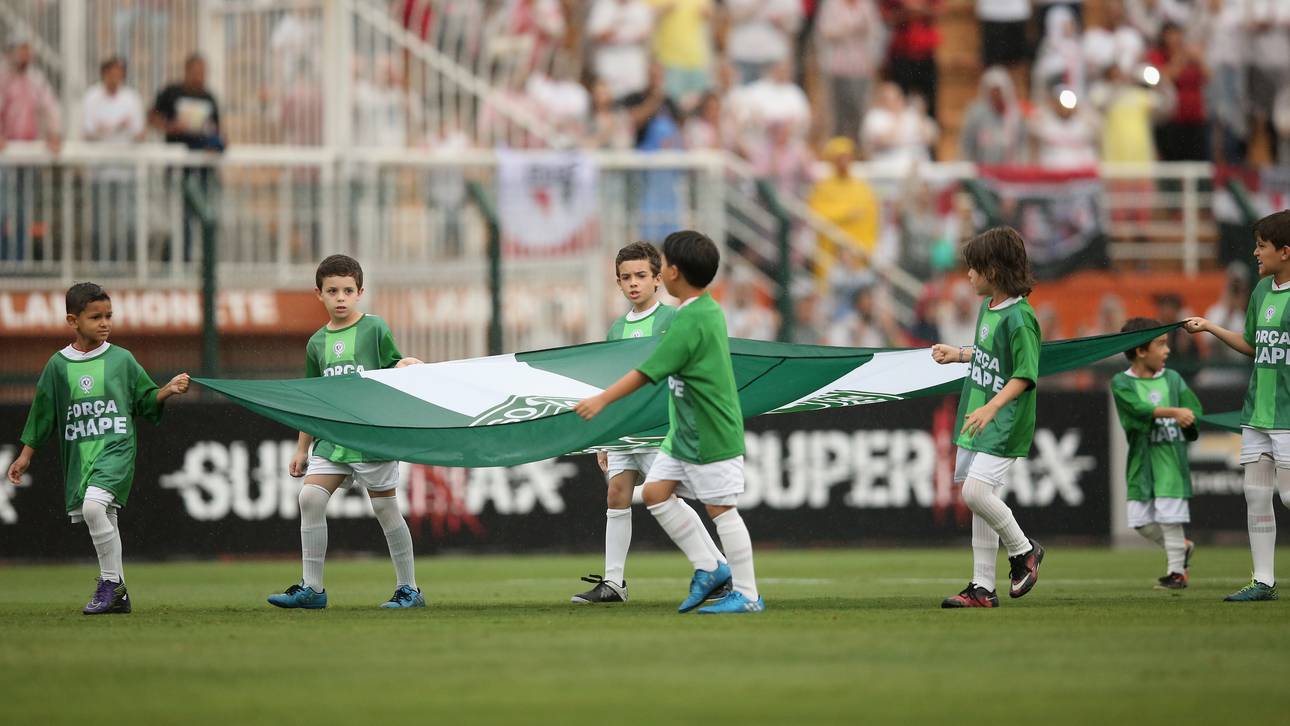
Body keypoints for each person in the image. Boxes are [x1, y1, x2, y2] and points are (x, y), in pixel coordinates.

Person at [575, 230, 764, 614]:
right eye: (626, 276)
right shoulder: (696, 312)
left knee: (720, 509)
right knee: (656, 493)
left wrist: (602, 400)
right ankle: (708, 569)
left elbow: (650, 372)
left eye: (644, 274)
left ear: (668, 275)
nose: (634, 282)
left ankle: (745, 593)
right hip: (680, 433)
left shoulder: (686, 319)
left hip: (703, 429)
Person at [6, 283, 191, 614]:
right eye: (95, 317)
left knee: (94, 508)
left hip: (117, 449)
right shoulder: (58, 365)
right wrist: (25, 454)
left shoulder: (122, 359)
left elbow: (144, 400)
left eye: (109, 316)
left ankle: (110, 584)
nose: (105, 323)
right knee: (104, 515)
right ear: (72, 321)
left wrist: (166, 390)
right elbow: (42, 414)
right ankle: (118, 594)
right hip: (81, 457)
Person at [268, 254, 426, 610]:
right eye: (332, 290)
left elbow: (391, 368)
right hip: (331, 440)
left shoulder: (375, 328)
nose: (340, 297)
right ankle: (312, 589)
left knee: (386, 510)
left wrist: (405, 363)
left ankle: (410, 589)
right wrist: (301, 449)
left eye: (347, 290)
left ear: (360, 292)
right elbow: (313, 400)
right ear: (319, 294)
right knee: (309, 498)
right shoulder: (316, 343)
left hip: (370, 438)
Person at [930, 226, 1046, 609]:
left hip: (1003, 420)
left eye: (974, 268)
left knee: (974, 493)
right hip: (978, 417)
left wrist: (993, 406)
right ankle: (982, 587)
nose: (968, 275)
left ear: (993, 272)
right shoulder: (988, 308)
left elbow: (1025, 374)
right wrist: (959, 354)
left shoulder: (1021, 318)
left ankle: (1024, 550)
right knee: (980, 498)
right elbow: (988, 356)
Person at [1184, 209, 1290, 602]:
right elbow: (1252, 345)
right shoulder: (1262, 292)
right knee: (1256, 495)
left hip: (1287, 415)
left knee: (1288, 496)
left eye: (1262, 246)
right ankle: (1263, 580)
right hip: (1256, 413)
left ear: (1286, 251)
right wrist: (1210, 326)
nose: (1256, 253)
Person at [1111, 317, 1201, 590]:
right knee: (1139, 521)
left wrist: (1190, 419)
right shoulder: (1121, 383)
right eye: (1161, 344)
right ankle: (1181, 547)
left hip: (1170, 461)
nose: (1167, 350)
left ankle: (1177, 572)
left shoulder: (1173, 379)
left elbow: (1193, 409)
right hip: (1142, 461)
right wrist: (1174, 413)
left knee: (1170, 517)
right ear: (1140, 351)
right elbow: (1137, 410)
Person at [82, 57, 146, 264]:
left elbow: (139, 133)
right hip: (99, 171)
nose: (116, 77)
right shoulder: (92, 97)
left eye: (120, 72)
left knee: (127, 222)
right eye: (112, 72)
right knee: (100, 223)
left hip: (125, 171)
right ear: (104, 73)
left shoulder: (131, 98)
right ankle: (101, 262)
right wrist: (115, 128)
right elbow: (88, 131)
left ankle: (123, 262)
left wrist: (110, 129)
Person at [808, 137, 880, 282]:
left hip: (858, 256)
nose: (844, 162)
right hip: (830, 255)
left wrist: (867, 248)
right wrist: (846, 214)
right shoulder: (823, 188)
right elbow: (816, 216)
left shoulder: (862, 188)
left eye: (847, 157)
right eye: (839, 158)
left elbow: (871, 220)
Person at [815, 0, 883, 141]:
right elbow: (824, 31)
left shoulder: (866, 4)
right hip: (837, 66)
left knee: (858, 110)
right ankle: (838, 148)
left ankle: (857, 147)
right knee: (838, 113)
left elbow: (876, 32)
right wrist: (850, 29)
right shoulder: (831, 4)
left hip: (861, 66)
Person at [587, 0, 655, 103]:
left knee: (634, 101)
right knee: (606, 100)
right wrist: (623, 32)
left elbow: (644, 34)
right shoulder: (603, 6)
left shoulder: (641, 7)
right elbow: (597, 35)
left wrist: (616, 33)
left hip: (633, 68)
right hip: (608, 66)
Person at [959, 67, 1027, 165]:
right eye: (993, 91)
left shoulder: (1016, 116)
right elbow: (966, 146)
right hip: (982, 171)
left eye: (999, 91)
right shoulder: (975, 115)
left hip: (1009, 171)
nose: (996, 95)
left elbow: (1022, 147)